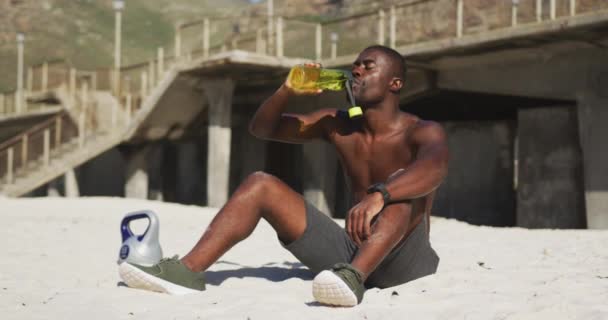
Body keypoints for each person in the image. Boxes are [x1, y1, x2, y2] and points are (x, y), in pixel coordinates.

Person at [119, 45, 449, 307]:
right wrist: (286, 90)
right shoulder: (338, 123)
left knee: (404, 183)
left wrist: (381, 195)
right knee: (260, 183)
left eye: (369, 65)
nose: (357, 70)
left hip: (405, 261)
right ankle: (186, 271)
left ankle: (353, 277)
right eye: (356, 65)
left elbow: (434, 168)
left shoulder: (421, 130)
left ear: (395, 83)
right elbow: (262, 128)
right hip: (351, 253)